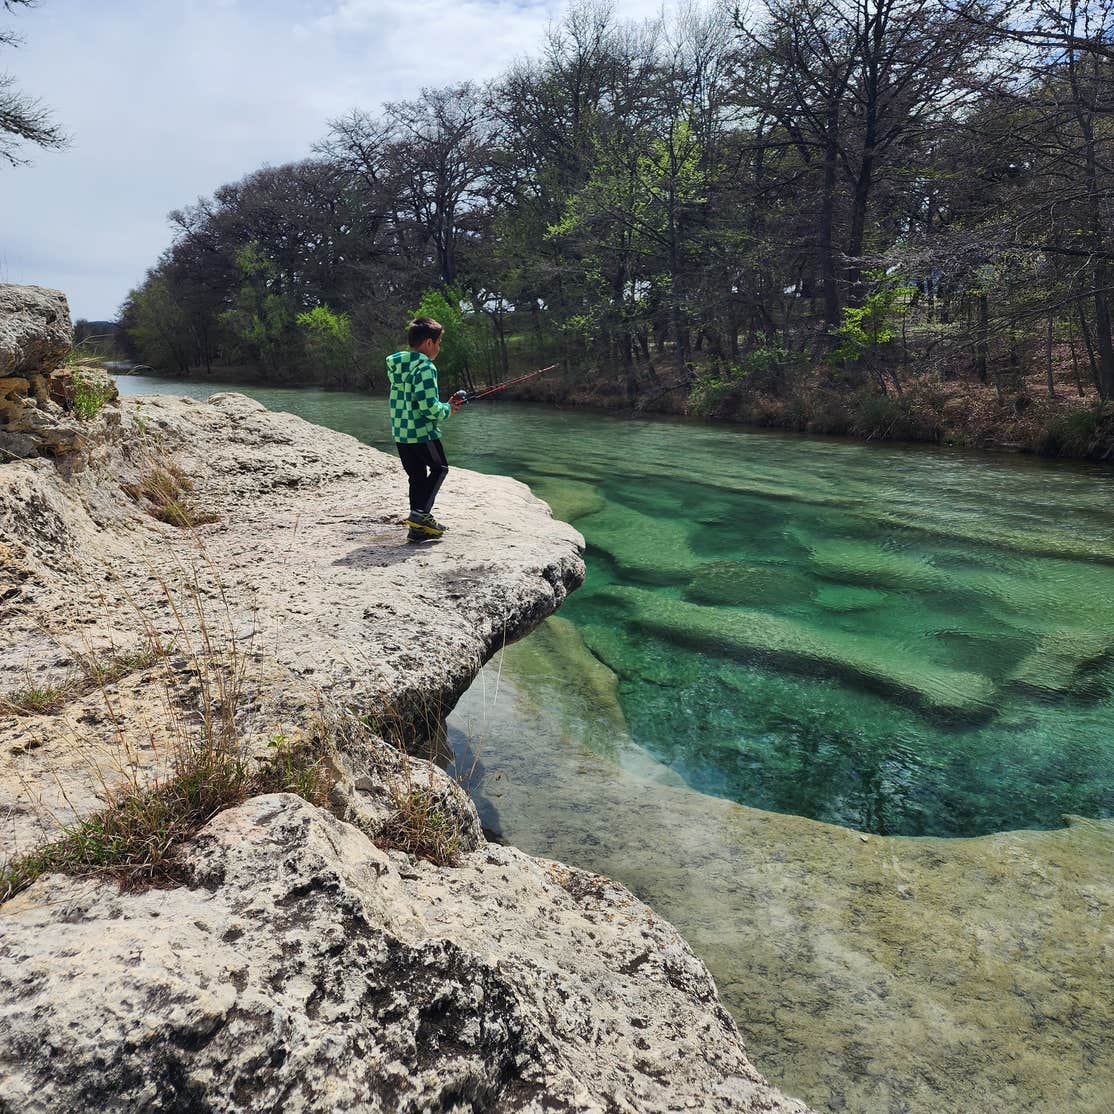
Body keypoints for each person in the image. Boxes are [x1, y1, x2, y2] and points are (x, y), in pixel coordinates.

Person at [385, 316, 463, 543]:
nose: (439, 348)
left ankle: (417, 530)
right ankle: (420, 516)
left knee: (416, 476)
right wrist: (447, 409)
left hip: (401, 433)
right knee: (440, 468)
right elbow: (429, 408)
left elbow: (413, 400)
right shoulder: (426, 367)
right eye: (439, 343)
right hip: (422, 433)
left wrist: (444, 405)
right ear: (429, 343)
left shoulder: (399, 366)